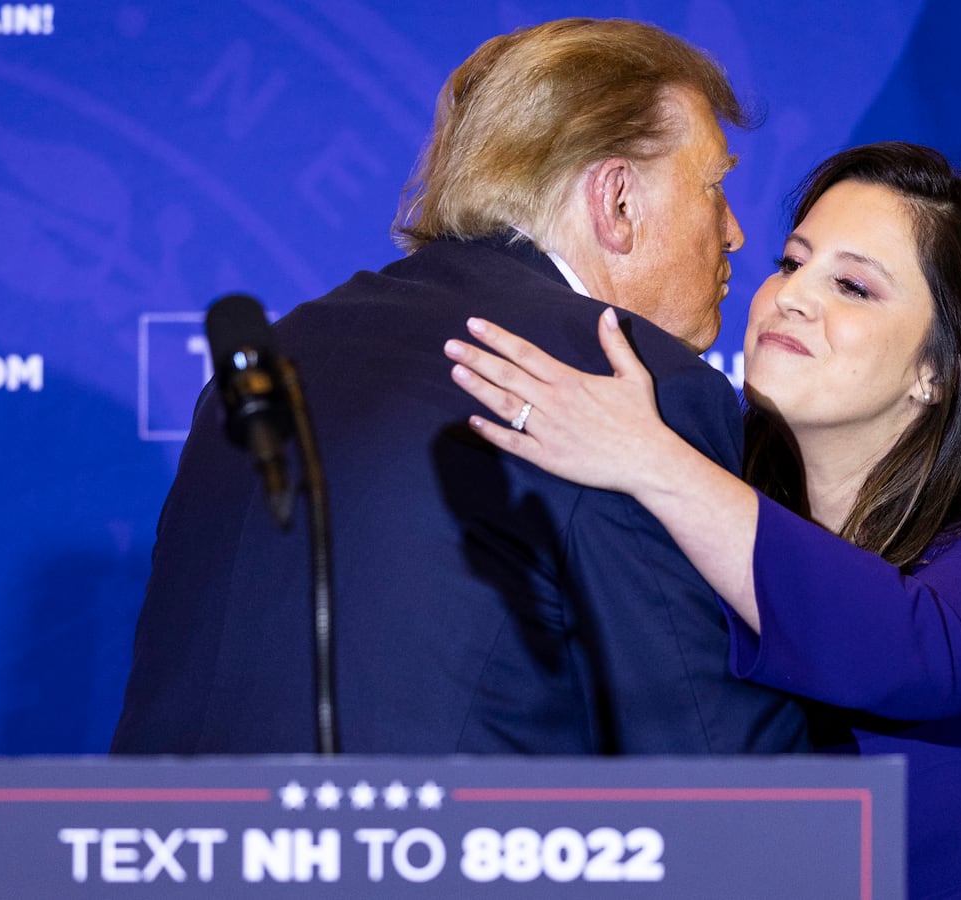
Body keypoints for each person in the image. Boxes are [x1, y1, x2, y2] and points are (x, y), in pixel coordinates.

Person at [444, 141, 961, 898]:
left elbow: (921, 649)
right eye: (793, 263)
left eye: (853, 286)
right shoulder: (715, 507)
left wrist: (650, 458)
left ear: (940, 369)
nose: (792, 295)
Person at [111, 18, 807, 756]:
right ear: (618, 203)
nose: (732, 231)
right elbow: (707, 757)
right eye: (714, 186)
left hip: (172, 854)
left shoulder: (269, 364)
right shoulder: (631, 378)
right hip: (441, 859)